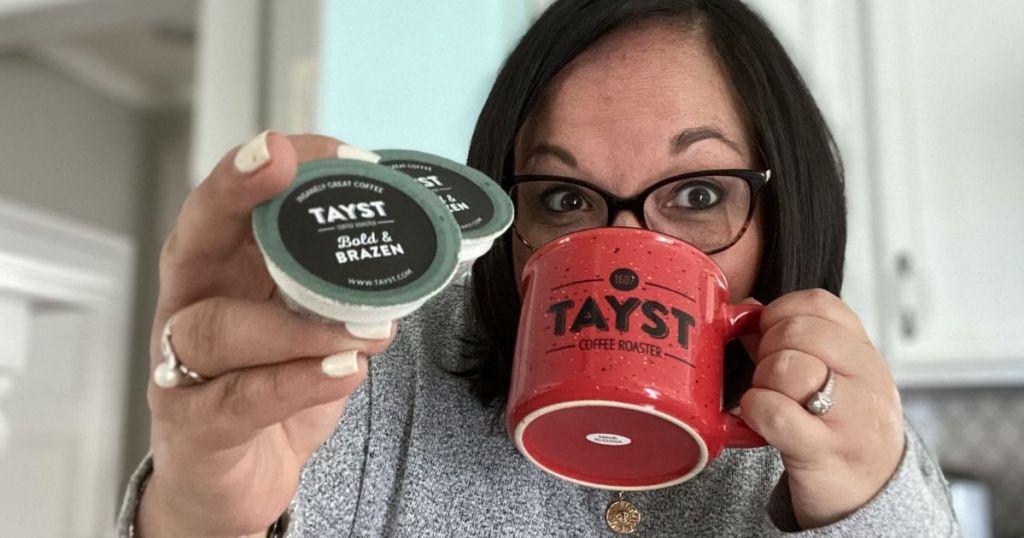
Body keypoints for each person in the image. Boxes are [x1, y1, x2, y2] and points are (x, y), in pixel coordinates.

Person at [119, 0, 958, 536]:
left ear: (784, 206)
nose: (626, 245)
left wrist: (864, 511)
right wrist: (201, 512)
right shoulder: (377, 366)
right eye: (562, 199)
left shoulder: (846, 425)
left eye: (699, 193)